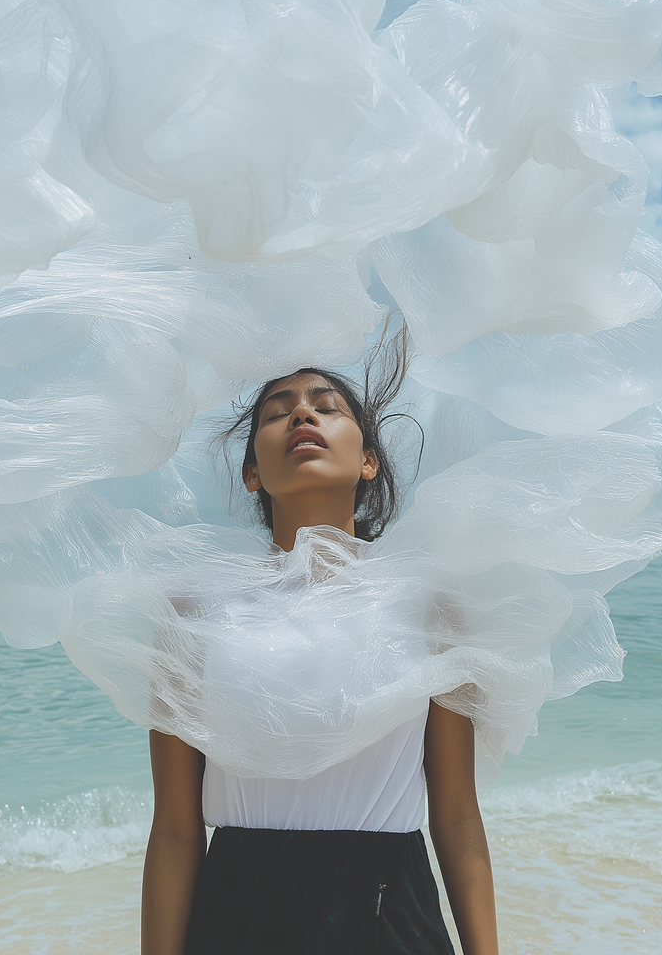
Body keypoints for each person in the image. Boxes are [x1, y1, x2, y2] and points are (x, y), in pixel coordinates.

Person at [140, 359, 499, 955]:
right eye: (277, 413)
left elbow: (458, 815)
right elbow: (176, 830)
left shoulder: (429, 606)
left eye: (327, 406)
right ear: (253, 473)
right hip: (238, 913)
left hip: (389, 909)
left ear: (368, 461)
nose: (302, 414)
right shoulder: (195, 610)